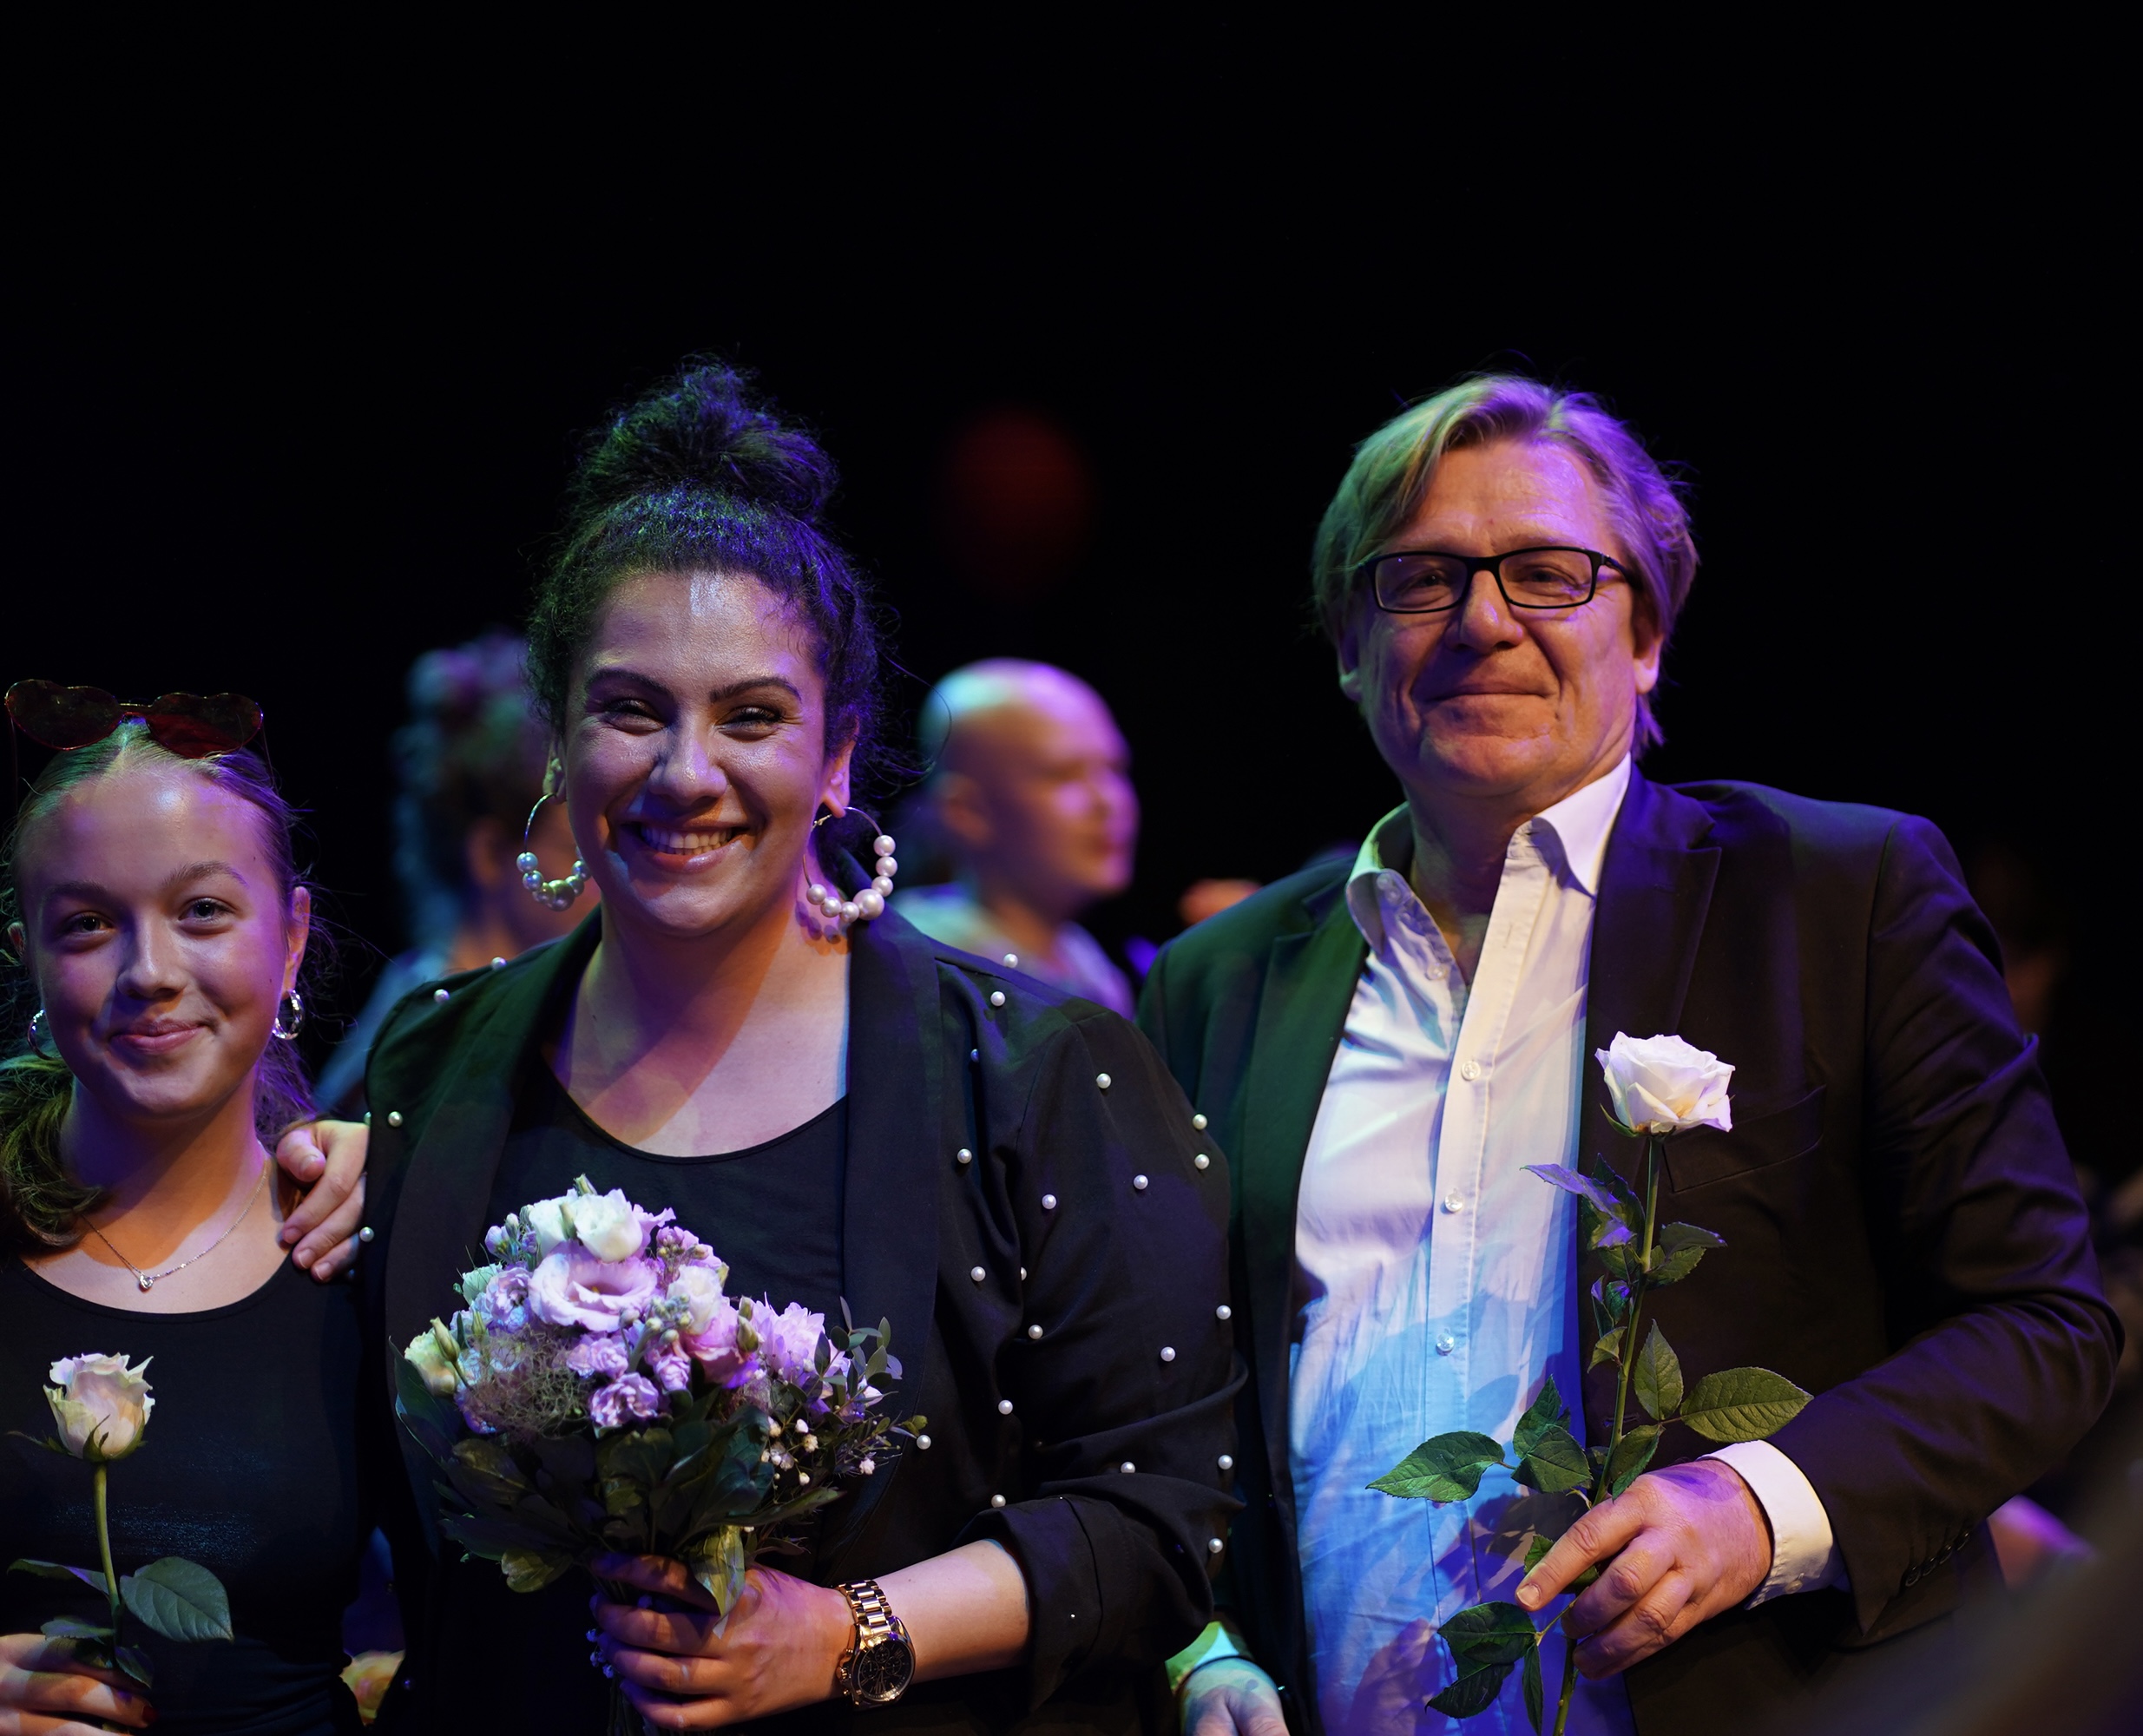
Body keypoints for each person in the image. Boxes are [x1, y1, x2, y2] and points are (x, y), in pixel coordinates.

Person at [1135, 377, 2119, 1734]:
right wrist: (1202, 1646)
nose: (1483, 621)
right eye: (1419, 579)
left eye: (1546, 573)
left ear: (1644, 633)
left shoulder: (1839, 896)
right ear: (1351, 642)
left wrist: (1759, 1504)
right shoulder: (1216, 980)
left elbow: (2041, 1326)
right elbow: (1161, 1392)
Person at [346, 363, 1238, 1732]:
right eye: (630, 709)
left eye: (751, 716)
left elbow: (1163, 1517)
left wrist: (843, 1636)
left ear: (836, 759)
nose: (686, 771)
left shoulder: (1038, 1071)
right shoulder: (432, 1067)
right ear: (561, 742)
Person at [0, 696, 379, 1735]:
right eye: (87, 923)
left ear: (292, 938)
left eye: (202, 909)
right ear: (29, 953)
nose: (151, 972)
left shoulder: (368, 1241)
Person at [315, 630, 590, 1114]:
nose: (601, 877)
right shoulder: (429, 1029)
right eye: (575, 849)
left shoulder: (496, 998)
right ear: (490, 854)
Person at [894, 660, 1138, 1014]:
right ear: (967, 811)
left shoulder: (1090, 965)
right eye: (1064, 775)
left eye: (1115, 770)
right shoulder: (922, 964)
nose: (1109, 802)